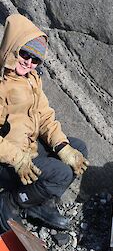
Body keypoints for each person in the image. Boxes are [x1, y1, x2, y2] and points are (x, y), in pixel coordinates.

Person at [0, 14, 89, 231]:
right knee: (62, 173)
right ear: (13, 47)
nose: (28, 62)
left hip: (27, 147)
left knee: (78, 148)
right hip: (7, 160)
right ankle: (10, 201)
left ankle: (38, 203)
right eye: (25, 53)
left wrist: (63, 147)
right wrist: (18, 159)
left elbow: (46, 116)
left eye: (36, 59)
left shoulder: (32, 79)